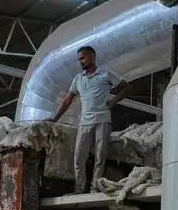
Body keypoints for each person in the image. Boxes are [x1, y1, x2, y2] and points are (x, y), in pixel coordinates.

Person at [49, 45, 131, 193]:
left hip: (103, 121)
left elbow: (126, 87)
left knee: (100, 157)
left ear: (92, 57)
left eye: (83, 58)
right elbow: (67, 100)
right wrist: (55, 118)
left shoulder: (106, 74)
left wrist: (114, 101)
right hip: (85, 122)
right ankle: (79, 188)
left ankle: (95, 188)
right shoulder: (78, 79)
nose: (80, 61)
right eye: (79, 59)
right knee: (79, 156)